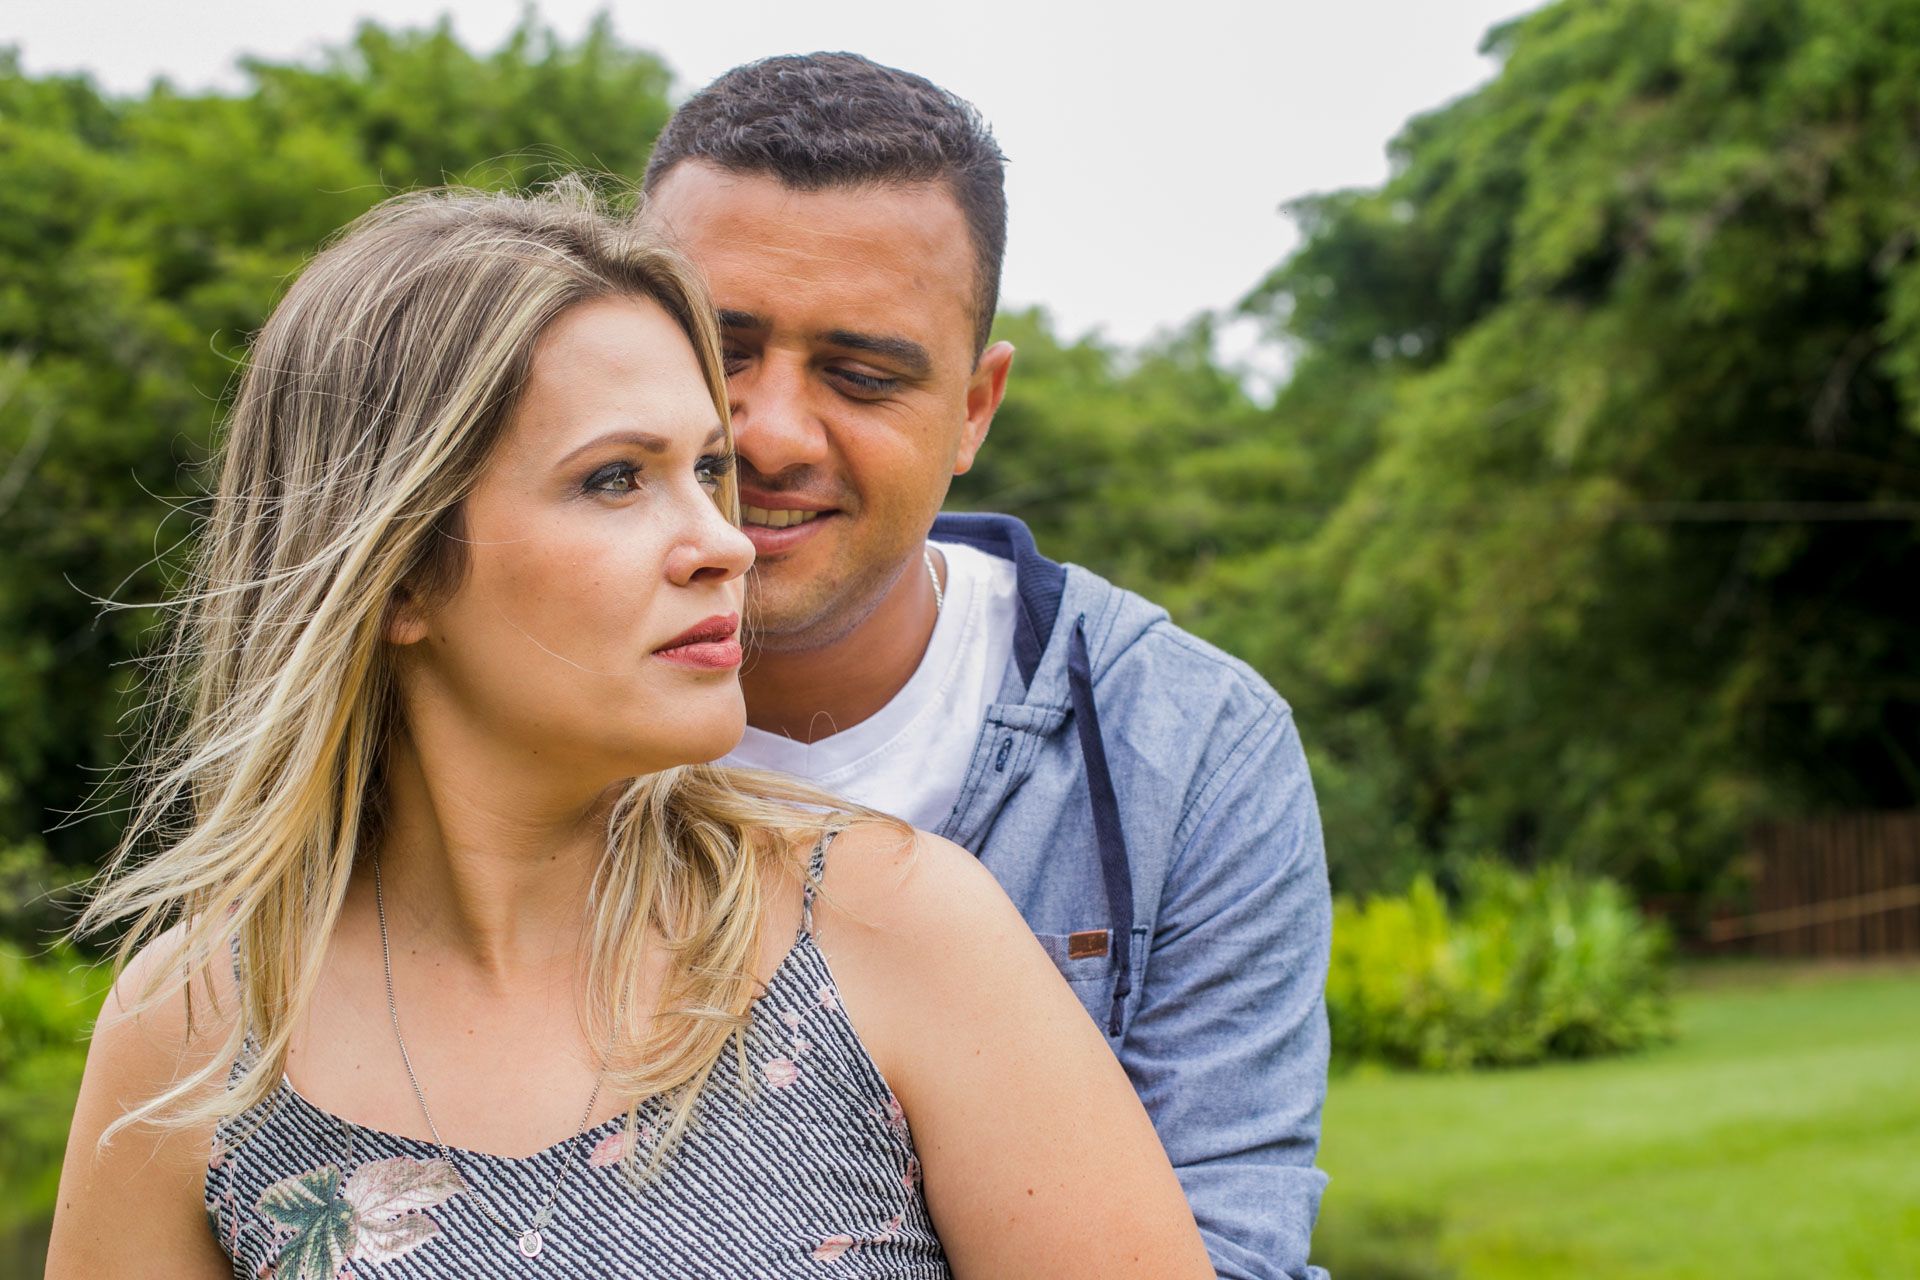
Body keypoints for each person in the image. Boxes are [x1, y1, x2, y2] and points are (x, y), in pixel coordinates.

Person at [45, 183, 1217, 1279]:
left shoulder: (892, 926)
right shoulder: (195, 1027)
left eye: (705, 469)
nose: (726, 539)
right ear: (396, 574)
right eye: (617, 478)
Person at [641, 53, 1333, 1280]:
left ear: (974, 407)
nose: (772, 432)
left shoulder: (1186, 742)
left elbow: (1227, 1235)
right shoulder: (480, 709)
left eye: (863, 375)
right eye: (718, 350)